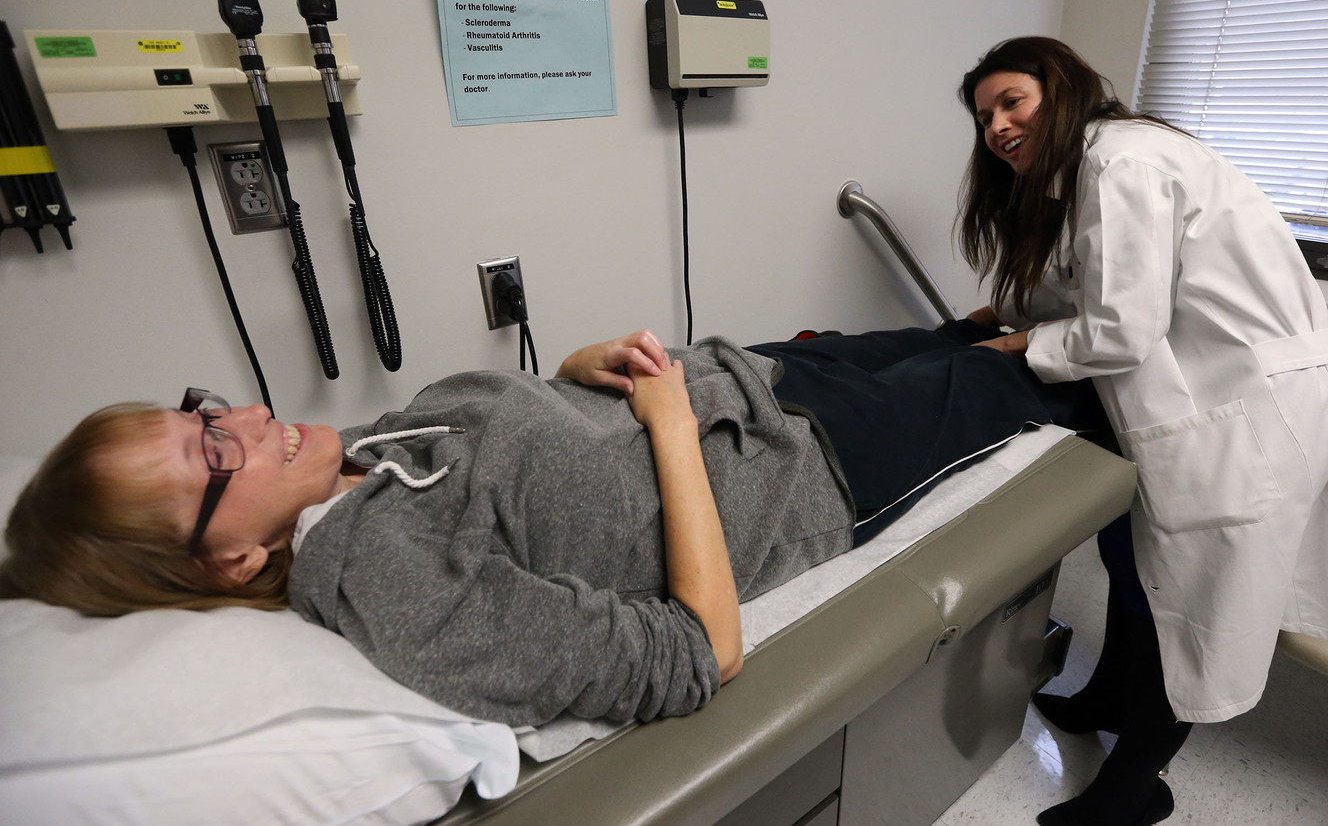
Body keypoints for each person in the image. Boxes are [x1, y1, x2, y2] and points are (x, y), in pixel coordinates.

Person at [0, 323, 1095, 728]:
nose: (239, 415)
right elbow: (694, 653)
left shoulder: (349, 465)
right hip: (814, 465)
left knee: (987, 332)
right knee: (1061, 377)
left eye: (199, 412)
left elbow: (514, 456)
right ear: (231, 557)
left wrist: (576, 372)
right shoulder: (387, 586)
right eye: (212, 453)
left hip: (755, 369)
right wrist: (666, 427)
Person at [956, 35, 1328, 826]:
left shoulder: (1121, 161)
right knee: (1130, 560)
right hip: (1195, 404)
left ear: (1059, 90)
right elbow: (1080, 277)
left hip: (1244, 416)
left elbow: (1119, 327)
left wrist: (1022, 342)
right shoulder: (1092, 170)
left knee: (1186, 597)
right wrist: (1002, 314)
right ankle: (1102, 696)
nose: (996, 126)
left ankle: (1134, 790)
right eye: (985, 115)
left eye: (1011, 101)